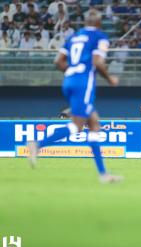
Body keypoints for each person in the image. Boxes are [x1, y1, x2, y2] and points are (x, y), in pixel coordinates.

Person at [27, 10, 122, 184]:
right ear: (99, 23)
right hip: (83, 83)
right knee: (77, 126)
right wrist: (110, 79)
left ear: (85, 22)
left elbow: (58, 61)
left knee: (93, 123)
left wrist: (72, 72)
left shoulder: (74, 37)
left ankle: (103, 174)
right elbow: (98, 62)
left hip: (69, 80)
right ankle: (37, 144)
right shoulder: (100, 37)